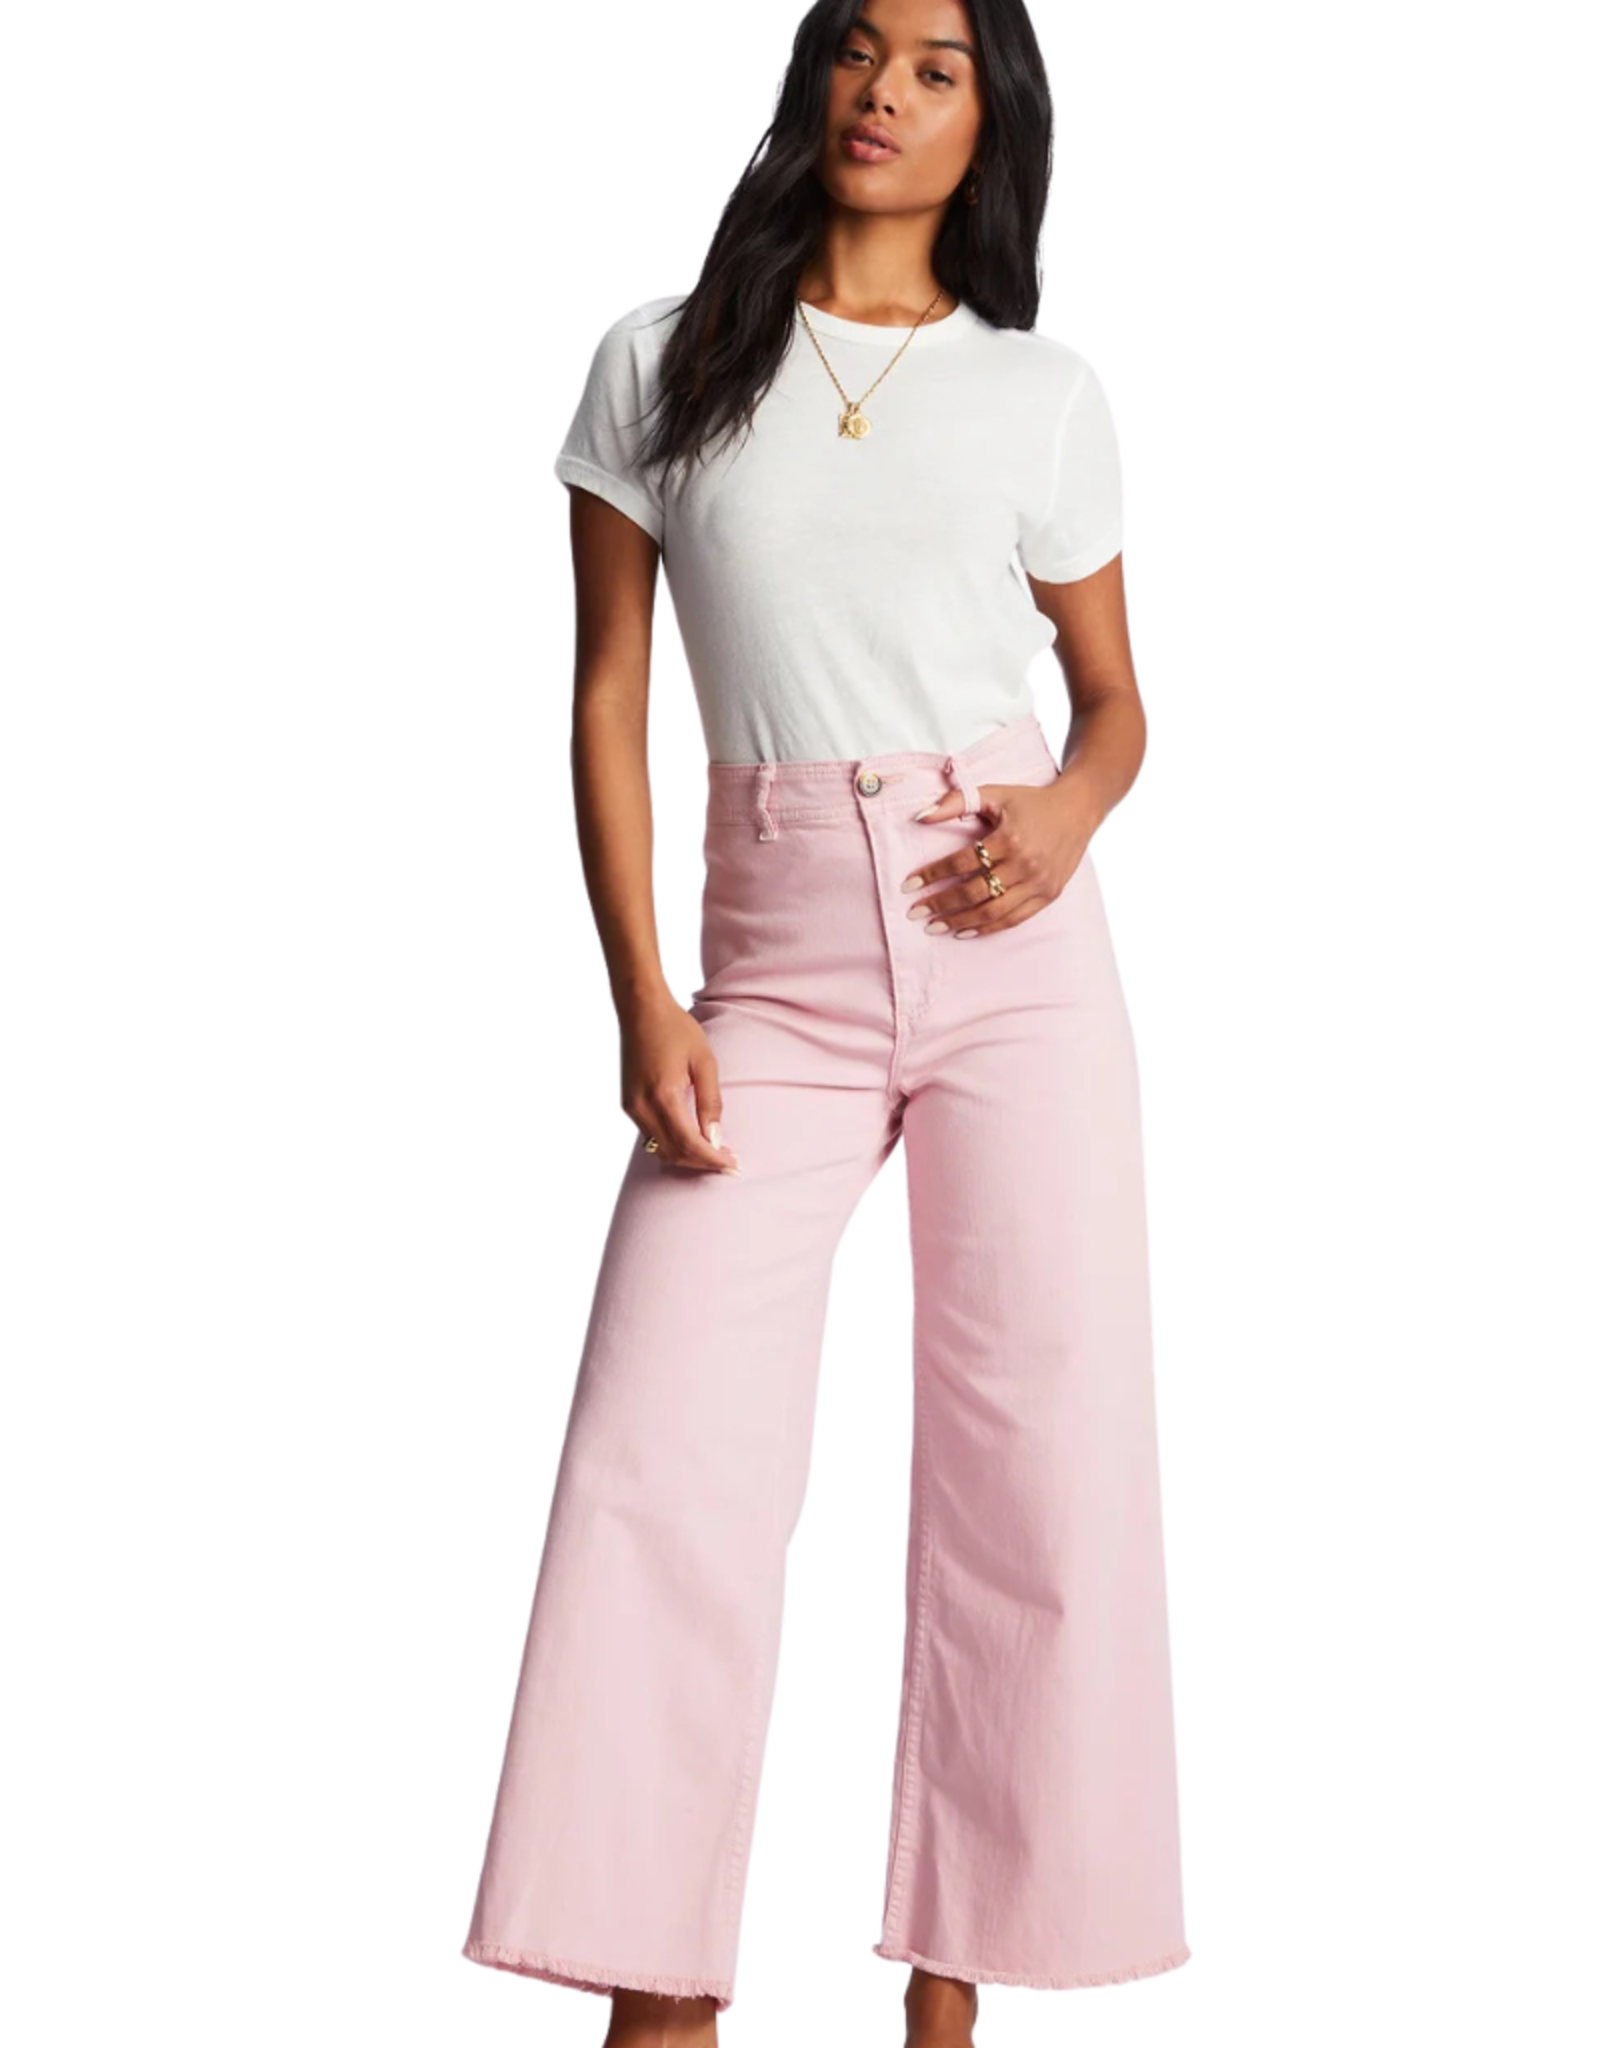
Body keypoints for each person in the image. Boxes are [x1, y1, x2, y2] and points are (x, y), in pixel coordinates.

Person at [455, 0, 1193, 2039]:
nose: (887, 91)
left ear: (992, 119)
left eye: (938, 66)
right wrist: (642, 992)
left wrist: (1065, 812)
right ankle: (655, 1999)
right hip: (764, 950)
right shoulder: (656, 353)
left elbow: (1115, 700)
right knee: (657, 1451)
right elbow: (609, 690)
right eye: (861, 52)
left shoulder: (1041, 386)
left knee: (1040, 1457)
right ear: (810, 84)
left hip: (1013, 937)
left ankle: (953, 2005)